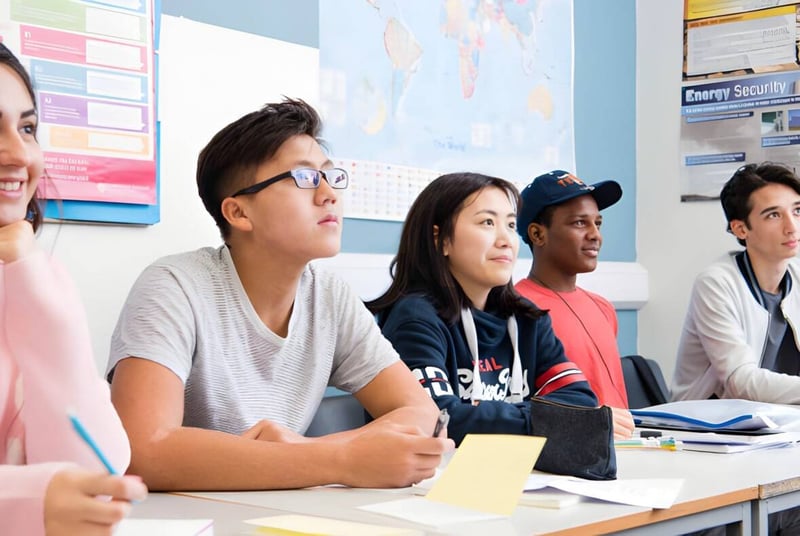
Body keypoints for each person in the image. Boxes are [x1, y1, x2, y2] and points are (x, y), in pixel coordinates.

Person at [107, 98, 452, 491]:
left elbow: (419, 411)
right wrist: (341, 460)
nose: (329, 195)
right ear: (238, 213)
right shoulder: (175, 286)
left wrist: (311, 452)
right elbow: (143, 449)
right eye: (304, 178)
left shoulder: (329, 295)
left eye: (330, 176)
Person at [0, 43, 147, 535]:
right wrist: (26, 500)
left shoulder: (31, 286)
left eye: (27, 128)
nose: (20, 154)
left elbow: (97, 474)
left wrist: (33, 288)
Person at [367, 171, 612, 445]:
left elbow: (579, 401)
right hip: (435, 482)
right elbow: (435, 418)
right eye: (487, 222)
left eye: (510, 225)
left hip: (519, 474)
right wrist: (543, 419)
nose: (506, 240)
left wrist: (514, 419)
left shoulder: (527, 318)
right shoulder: (415, 318)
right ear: (441, 239)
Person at [514, 170, 634, 437]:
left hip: (624, 454)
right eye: (580, 223)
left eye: (598, 223)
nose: (595, 235)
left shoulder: (603, 308)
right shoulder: (516, 309)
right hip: (568, 460)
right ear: (537, 234)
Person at [672, 162, 800, 402]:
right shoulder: (716, 284)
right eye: (774, 215)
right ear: (741, 229)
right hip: (709, 428)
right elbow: (740, 382)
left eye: (797, 211)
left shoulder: (797, 275)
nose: (791, 227)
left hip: (780, 421)